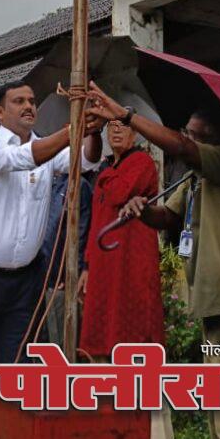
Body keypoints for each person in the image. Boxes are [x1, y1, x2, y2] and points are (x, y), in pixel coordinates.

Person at [89, 84, 220, 439]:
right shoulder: (195, 179)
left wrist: (127, 116)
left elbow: (181, 148)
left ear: (213, 139)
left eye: (194, 134)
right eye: (186, 131)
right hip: (214, 300)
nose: (186, 138)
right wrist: (142, 210)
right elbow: (167, 217)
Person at [0, 82, 103, 439]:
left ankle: (8, 437)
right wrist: (73, 129)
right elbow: (24, 159)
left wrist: (92, 132)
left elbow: (87, 159)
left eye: (32, 101)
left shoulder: (48, 147)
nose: (28, 106)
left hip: (25, 282)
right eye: (18, 101)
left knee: (17, 372)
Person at [78, 119, 163, 357]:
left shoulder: (142, 162)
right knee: (100, 332)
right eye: (112, 125)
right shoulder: (106, 166)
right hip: (103, 260)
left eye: (123, 126)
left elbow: (119, 193)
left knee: (134, 326)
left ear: (135, 133)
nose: (116, 130)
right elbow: (96, 220)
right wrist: (87, 266)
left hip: (131, 258)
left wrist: (105, 175)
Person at [39, 170, 92, 347]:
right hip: (34, 277)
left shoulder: (77, 184)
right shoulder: (42, 180)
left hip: (58, 280)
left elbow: (81, 234)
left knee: (58, 339)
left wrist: (69, 274)